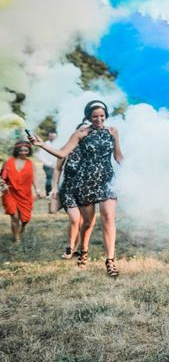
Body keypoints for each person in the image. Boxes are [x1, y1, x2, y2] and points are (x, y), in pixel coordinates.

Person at [28, 100, 124, 277]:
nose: (99, 119)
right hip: (84, 182)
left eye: (102, 116)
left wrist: (136, 169)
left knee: (108, 217)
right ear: (88, 117)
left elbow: (118, 156)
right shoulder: (81, 133)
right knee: (87, 223)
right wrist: (41, 144)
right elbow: (62, 153)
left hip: (107, 180)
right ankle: (84, 251)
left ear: (106, 116)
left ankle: (110, 261)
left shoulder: (113, 131)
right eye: (95, 116)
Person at [51, 144, 97, 259]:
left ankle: (76, 248)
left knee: (82, 222)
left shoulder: (94, 149)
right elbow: (57, 168)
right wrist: (55, 187)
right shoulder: (67, 150)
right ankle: (70, 247)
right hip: (68, 190)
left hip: (86, 191)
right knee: (75, 219)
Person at [1, 141, 41, 242]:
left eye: (26, 150)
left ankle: (22, 227)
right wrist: (3, 183)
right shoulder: (8, 162)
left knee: (25, 219)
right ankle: (16, 239)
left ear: (29, 151)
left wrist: (37, 189)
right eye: (21, 150)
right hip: (10, 192)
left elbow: (34, 178)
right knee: (14, 216)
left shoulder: (31, 164)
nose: (23, 152)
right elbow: (2, 177)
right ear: (17, 150)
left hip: (25, 194)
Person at [36, 130, 57, 196]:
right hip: (48, 165)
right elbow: (41, 156)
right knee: (49, 179)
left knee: (57, 180)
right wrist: (49, 164)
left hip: (57, 165)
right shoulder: (45, 144)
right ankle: (48, 194)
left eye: (54, 136)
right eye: (51, 136)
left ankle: (55, 193)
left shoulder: (58, 143)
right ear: (48, 136)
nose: (52, 137)